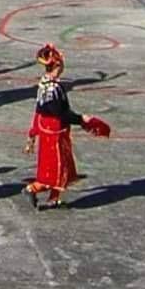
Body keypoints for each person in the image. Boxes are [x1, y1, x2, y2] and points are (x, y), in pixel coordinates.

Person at [25, 43, 106, 208]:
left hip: (52, 129)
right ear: (57, 65)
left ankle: (54, 198)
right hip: (53, 131)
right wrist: (81, 119)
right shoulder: (53, 88)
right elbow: (60, 113)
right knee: (55, 166)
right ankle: (32, 188)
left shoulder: (45, 83)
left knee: (60, 165)